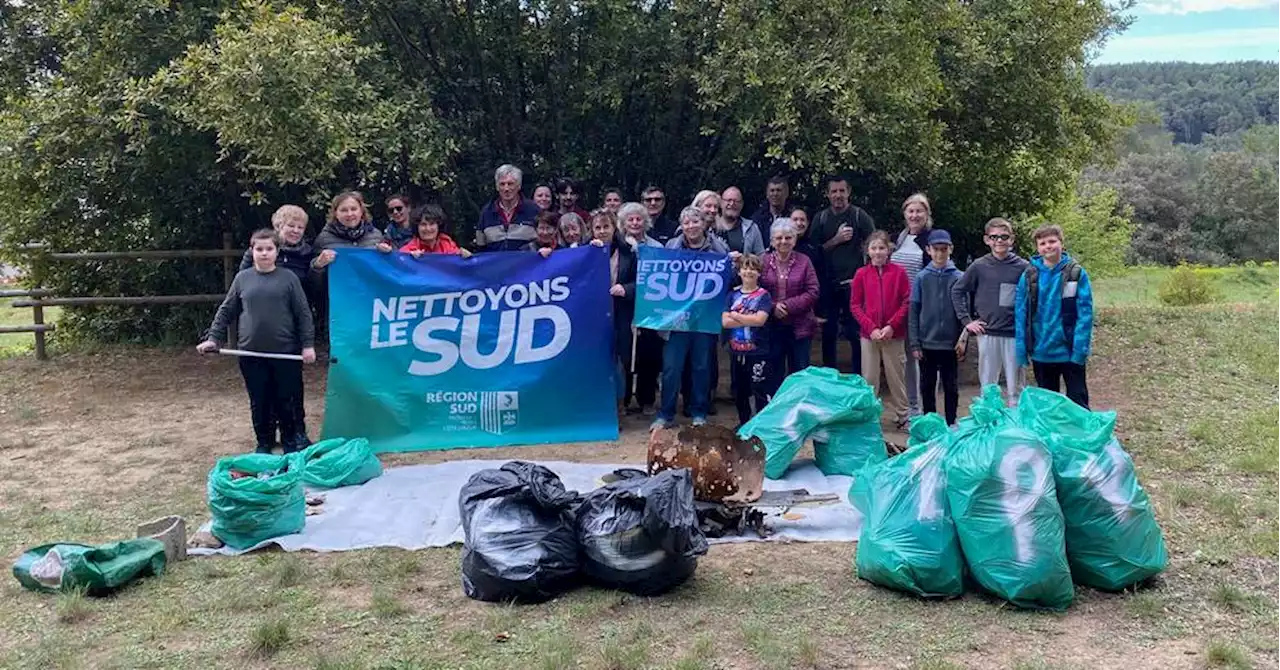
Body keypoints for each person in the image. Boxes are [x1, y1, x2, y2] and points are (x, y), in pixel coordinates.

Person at [198, 229, 317, 454]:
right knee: (260, 401)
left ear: (277, 252)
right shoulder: (243, 279)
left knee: (286, 401)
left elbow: (303, 314)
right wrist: (213, 338)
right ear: (252, 252)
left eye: (269, 249)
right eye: (259, 249)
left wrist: (307, 345)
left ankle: (290, 444)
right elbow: (227, 310)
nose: (264, 253)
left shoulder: (289, 278)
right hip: (251, 354)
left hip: (285, 353)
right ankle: (264, 443)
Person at [653, 206, 730, 430]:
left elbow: (728, 279)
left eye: (695, 222)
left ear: (703, 224)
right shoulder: (671, 247)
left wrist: (731, 263)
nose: (691, 227)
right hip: (677, 319)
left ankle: (699, 412)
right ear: (681, 226)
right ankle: (665, 414)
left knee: (701, 366)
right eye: (686, 223)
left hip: (704, 318)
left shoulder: (718, 248)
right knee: (671, 368)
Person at [951, 217, 1030, 406]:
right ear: (987, 240)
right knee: (988, 386)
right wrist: (967, 321)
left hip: (1014, 334)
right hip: (987, 333)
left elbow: (1033, 298)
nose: (999, 241)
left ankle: (1016, 428)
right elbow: (957, 290)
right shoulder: (979, 266)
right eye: (994, 237)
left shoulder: (1024, 267)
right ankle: (988, 424)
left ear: (1012, 239)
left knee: (1016, 387)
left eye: (1004, 237)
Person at [1016, 224, 1094, 408]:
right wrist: (1021, 348)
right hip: (1041, 352)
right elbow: (1021, 313)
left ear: (1061, 243)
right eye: (1042, 243)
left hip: (1069, 351)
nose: (1048, 246)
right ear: (1037, 248)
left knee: (1078, 402)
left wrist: (1080, 350)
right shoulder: (1029, 275)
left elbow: (1085, 314)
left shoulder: (1075, 273)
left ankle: (1081, 436)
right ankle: (1051, 437)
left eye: (1052, 241)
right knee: (1047, 406)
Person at [810, 175, 875, 374]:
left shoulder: (859, 216)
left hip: (854, 284)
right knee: (828, 334)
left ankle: (858, 377)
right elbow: (813, 251)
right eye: (834, 191)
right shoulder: (821, 218)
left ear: (848, 192)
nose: (838, 195)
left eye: (841, 191)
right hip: (827, 285)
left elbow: (874, 245)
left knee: (855, 333)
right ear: (828, 194)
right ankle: (831, 378)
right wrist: (836, 240)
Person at [850, 231, 910, 428]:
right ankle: (870, 416)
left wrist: (892, 325)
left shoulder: (899, 273)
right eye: (874, 248)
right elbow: (855, 306)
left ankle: (903, 415)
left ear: (889, 250)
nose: (878, 252)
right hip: (870, 335)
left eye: (881, 248)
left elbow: (906, 302)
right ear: (868, 251)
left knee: (896, 376)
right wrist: (872, 328)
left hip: (894, 334)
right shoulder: (861, 274)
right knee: (869, 377)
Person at [612, 202, 664, 415]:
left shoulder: (657, 247)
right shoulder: (617, 246)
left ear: (646, 221)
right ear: (623, 223)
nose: (634, 223)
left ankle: (646, 399)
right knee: (624, 354)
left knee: (649, 354)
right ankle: (623, 400)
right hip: (623, 307)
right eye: (630, 219)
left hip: (651, 306)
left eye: (638, 219)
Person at [909, 229, 964, 425]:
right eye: (936, 249)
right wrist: (915, 344)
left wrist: (962, 340)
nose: (940, 253)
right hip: (927, 343)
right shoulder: (922, 278)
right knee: (927, 386)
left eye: (944, 249)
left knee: (951, 387)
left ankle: (951, 422)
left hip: (950, 344)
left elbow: (964, 313)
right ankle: (930, 423)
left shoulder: (959, 277)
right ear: (928, 250)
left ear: (950, 249)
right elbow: (914, 311)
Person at [760, 218, 819, 387]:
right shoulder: (763, 261)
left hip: (800, 326)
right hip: (771, 325)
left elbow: (813, 291)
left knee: (800, 373)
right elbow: (756, 290)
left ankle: (798, 410)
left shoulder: (804, 261)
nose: (783, 241)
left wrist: (787, 306)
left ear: (794, 239)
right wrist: (772, 306)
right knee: (773, 371)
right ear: (772, 240)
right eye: (779, 238)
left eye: (788, 237)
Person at [892, 193, 934, 419]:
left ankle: (923, 407)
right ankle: (909, 405)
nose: (915, 215)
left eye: (919, 211)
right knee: (903, 359)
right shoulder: (900, 238)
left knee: (921, 357)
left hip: (921, 306)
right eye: (911, 211)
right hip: (899, 307)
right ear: (905, 214)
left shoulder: (932, 239)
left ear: (926, 214)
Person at [723, 254, 773, 425]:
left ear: (759, 273)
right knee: (739, 390)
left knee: (759, 388)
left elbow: (760, 320)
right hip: (736, 350)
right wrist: (747, 318)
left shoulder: (764, 296)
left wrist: (736, 315)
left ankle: (761, 423)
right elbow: (725, 322)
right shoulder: (732, 295)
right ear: (739, 271)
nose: (749, 272)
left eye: (753, 268)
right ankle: (743, 422)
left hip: (758, 351)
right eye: (745, 268)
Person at [475, 164, 540, 252]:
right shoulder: (486, 213)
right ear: (497, 187)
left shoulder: (533, 210)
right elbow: (480, 248)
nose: (506, 188)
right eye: (502, 184)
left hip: (527, 265)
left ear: (519, 186)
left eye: (510, 184)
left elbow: (544, 241)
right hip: (497, 265)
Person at [400, 204, 473, 258]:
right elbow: (398, 266)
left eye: (432, 224)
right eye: (423, 224)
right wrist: (409, 260)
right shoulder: (408, 250)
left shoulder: (447, 244)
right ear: (417, 227)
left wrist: (467, 257)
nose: (428, 228)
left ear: (438, 226)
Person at [713, 186, 765, 257]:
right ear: (721, 203)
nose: (732, 204)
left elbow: (761, 257)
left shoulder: (752, 228)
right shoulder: (710, 227)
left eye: (736, 201)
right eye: (728, 200)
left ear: (742, 204)